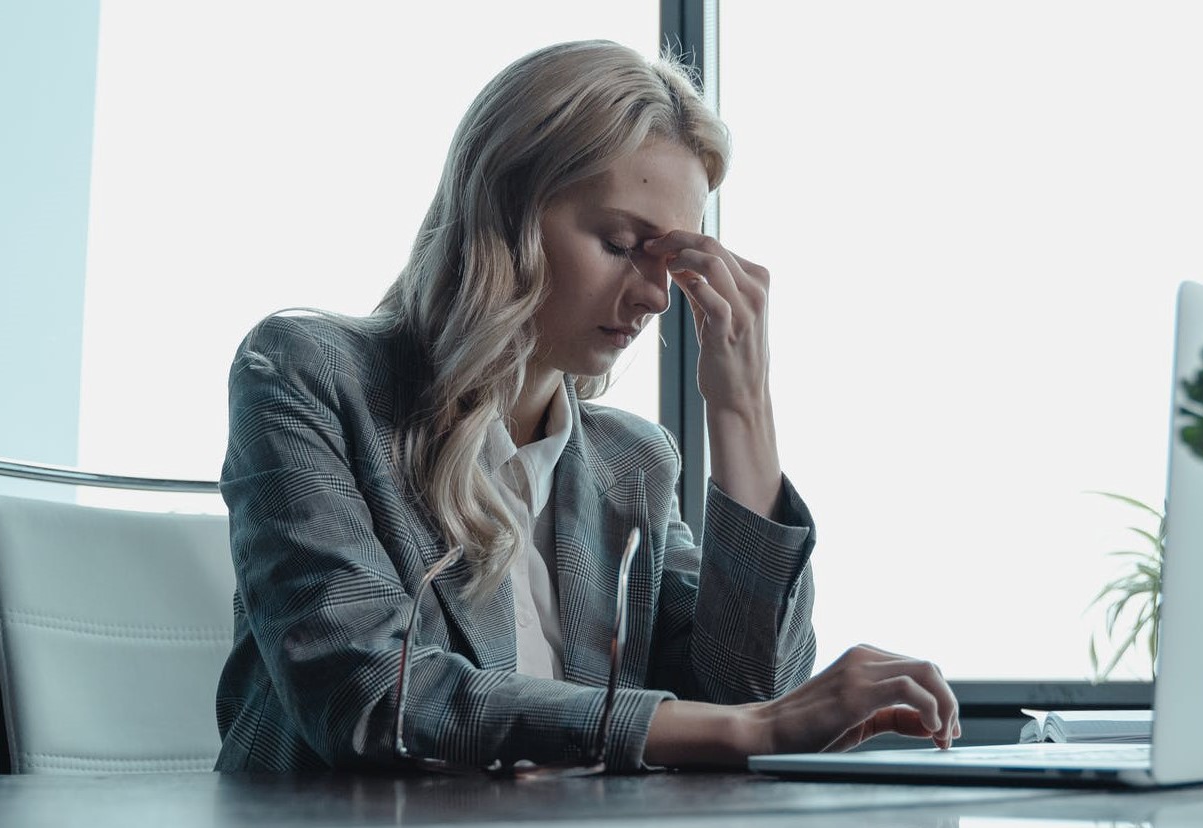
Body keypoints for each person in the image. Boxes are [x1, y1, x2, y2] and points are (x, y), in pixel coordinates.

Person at [213, 40, 958, 773]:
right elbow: (370, 695)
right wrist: (747, 727)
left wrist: (742, 413)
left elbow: (748, 696)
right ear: (503, 213)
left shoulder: (631, 463)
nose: (655, 296)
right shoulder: (306, 374)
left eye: (670, 261)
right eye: (619, 242)